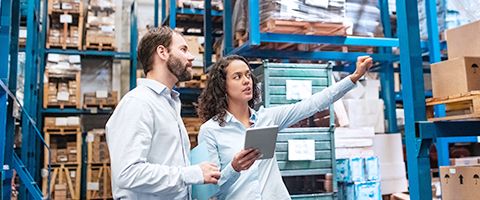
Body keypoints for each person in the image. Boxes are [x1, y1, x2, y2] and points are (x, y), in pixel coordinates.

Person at [197, 55, 373, 199]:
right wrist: (234, 168)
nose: (246, 81)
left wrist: (354, 77)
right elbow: (209, 191)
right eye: (237, 77)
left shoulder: (268, 118)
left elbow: (312, 104)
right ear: (222, 86)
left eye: (248, 75)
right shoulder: (210, 130)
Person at [105, 26, 221, 199]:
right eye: (183, 49)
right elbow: (127, 173)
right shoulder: (138, 103)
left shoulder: (168, 102)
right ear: (162, 52)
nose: (191, 57)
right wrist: (190, 174)